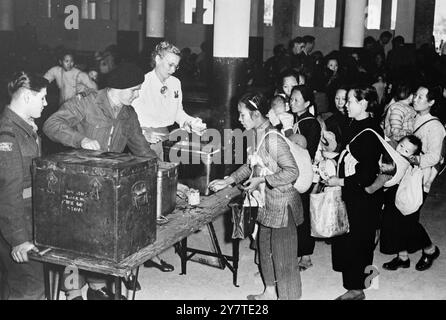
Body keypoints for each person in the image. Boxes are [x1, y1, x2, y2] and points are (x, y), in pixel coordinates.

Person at [43, 63, 158, 300]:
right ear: (119, 87)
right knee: (73, 240)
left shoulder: (128, 114)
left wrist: (162, 171)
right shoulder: (86, 102)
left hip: (106, 186)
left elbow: (142, 150)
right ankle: (73, 291)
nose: (137, 95)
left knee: (102, 238)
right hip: (76, 182)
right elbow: (51, 125)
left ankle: (96, 286)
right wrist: (80, 139)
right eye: (134, 90)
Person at [209, 92, 303, 300]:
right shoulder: (254, 135)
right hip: (265, 202)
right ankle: (269, 292)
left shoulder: (272, 140)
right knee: (264, 248)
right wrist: (229, 180)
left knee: (284, 257)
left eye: (243, 115)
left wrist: (262, 180)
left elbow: (292, 172)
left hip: (282, 205)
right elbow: (250, 165)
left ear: (257, 114)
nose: (239, 119)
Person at [131, 41, 206, 272]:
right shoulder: (141, 82)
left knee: (161, 200)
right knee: (142, 199)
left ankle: (153, 253)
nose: (173, 69)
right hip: (141, 142)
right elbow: (129, 115)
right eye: (170, 64)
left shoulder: (175, 83)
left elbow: (178, 112)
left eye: (176, 65)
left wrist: (190, 122)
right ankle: (133, 259)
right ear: (157, 59)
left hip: (164, 141)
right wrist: (143, 133)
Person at [326, 85, 384, 300]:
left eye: (349, 101)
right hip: (355, 194)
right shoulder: (356, 124)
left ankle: (357, 290)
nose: (345, 105)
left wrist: (338, 181)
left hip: (363, 197)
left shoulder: (370, 132)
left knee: (359, 240)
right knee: (356, 238)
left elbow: (367, 174)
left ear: (363, 104)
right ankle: (367, 281)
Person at [380, 85, 444, 272]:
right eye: (415, 95)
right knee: (393, 215)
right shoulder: (411, 116)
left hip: (418, 178)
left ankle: (430, 250)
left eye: (421, 97)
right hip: (401, 174)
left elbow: (434, 157)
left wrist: (408, 156)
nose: (415, 99)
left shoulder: (435, 126)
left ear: (431, 102)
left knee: (408, 220)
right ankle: (403, 256)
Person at [0, 71, 49, 300]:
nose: (46, 103)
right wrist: (19, 239)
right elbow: (8, 193)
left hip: (27, 215)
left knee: (20, 282)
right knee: (31, 285)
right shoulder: (8, 136)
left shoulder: (24, 128)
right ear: (27, 97)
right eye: (42, 98)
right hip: (15, 221)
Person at [290, 85, 321, 270]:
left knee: (304, 215)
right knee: (295, 214)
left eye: (296, 100)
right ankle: (295, 251)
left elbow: (307, 151)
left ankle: (306, 256)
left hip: (305, 173)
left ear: (307, 103)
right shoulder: (294, 118)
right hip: (293, 172)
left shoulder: (311, 123)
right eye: (291, 99)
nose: (292, 103)